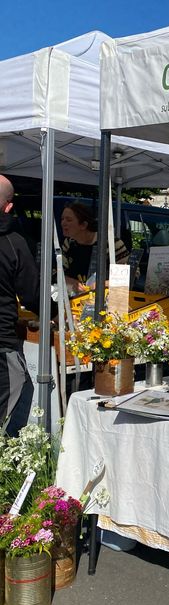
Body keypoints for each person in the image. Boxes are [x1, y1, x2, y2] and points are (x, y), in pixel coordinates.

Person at [0, 174, 39, 436]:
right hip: (2, 344)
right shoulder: (14, 243)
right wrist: (55, 313)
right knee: (20, 387)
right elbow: (31, 294)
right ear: (9, 206)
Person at [60, 201, 130, 294]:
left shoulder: (112, 244)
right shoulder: (68, 243)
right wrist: (71, 282)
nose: (63, 223)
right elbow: (58, 272)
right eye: (62, 219)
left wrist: (102, 284)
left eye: (68, 220)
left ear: (83, 225)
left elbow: (129, 277)